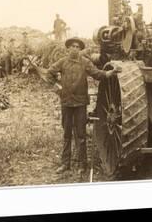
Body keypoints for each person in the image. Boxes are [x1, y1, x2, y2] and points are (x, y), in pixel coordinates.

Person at [47, 37, 120, 175]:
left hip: (80, 103)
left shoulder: (85, 62)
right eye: (72, 46)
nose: (75, 49)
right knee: (67, 134)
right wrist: (58, 88)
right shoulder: (62, 62)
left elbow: (97, 74)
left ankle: (82, 165)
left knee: (81, 135)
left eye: (77, 47)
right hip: (66, 103)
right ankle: (65, 164)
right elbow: (49, 74)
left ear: (80, 49)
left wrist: (110, 73)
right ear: (68, 48)